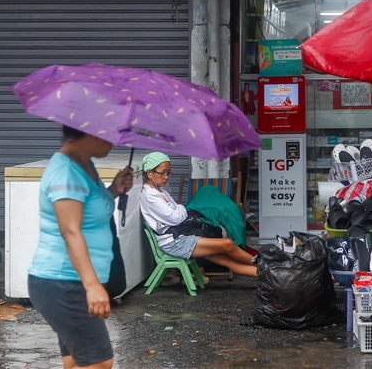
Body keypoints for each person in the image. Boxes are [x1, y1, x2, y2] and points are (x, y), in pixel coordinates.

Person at [27, 125, 134, 369]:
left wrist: (114, 190)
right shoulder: (66, 171)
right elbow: (70, 230)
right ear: (92, 131)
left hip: (71, 282)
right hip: (64, 282)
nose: (115, 141)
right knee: (99, 361)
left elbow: (89, 212)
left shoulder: (83, 165)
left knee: (77, 362)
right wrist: (93, 286)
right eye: (111, 133)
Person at [139, 152, 258, 277]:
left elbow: (177, 212)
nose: (166, 177)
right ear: (149, 173)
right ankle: (265, 267)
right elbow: (175, 217)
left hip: (181, 237)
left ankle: (270, 274)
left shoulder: (160, 191)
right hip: (174, 242)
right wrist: (181, 209)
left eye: (168, 172)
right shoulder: (150, 195)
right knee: (227, 244)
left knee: (226, 259)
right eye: (162, 172)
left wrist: (179, 210)